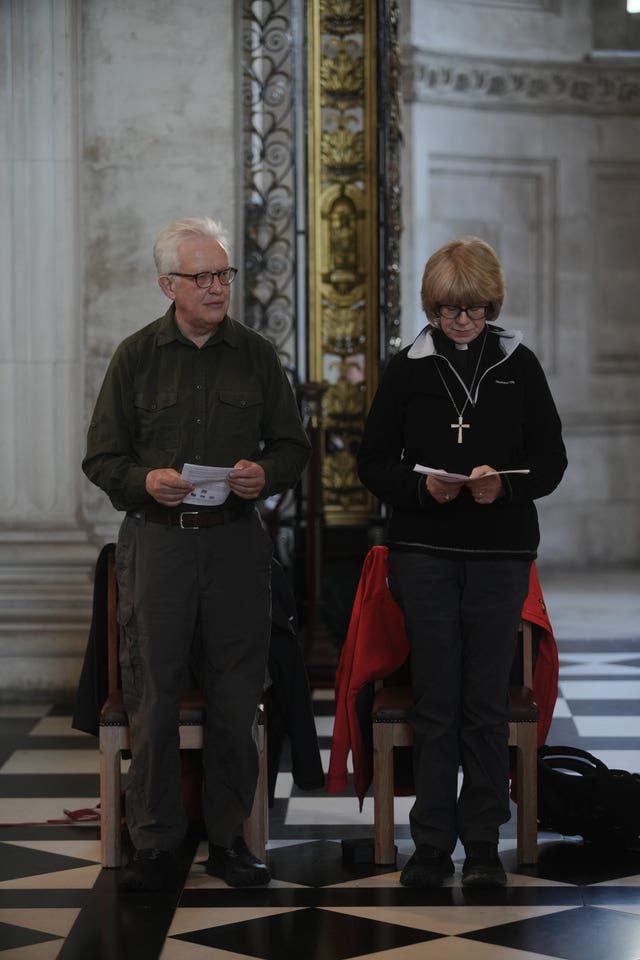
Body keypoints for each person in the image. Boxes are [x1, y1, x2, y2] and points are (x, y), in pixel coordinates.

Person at [82, 217, 310, 891]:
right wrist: (143, 480)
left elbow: (292, 447)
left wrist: (264, 474)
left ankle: (229, 839)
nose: (216, 287)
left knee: (236, 694)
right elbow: (102, 458)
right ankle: (155, 840)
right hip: (159, 542)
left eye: (223, 274)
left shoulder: (256, 355)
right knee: (153, 691)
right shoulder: (136, 357)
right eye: (202, 276)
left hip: (235, 541)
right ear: (168, 285)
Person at [357, 236, 567, 888]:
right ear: (433, 307)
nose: (462, 321)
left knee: (484, 701)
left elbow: (551, 461)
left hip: (501, 552)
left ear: (491, 304)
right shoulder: (408, 368)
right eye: (450, 309)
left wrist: (503, 485)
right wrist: (425, 488)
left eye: (474, 308)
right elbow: (372, 463)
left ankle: (481, 847)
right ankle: (429, 847)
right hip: (423, 553)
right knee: (435, 699)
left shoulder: (518, 364)